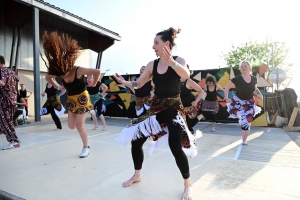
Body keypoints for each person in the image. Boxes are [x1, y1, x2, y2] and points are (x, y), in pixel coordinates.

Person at [113, 27, 198, 200]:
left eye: (156, 43)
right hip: (156, 108)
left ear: (167, 44)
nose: (153, 47)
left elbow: (186, 74)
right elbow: (138, 83)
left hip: (174, 108)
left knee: (175, 147)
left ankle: (187, 184)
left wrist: (172, 63)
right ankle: (137, 174)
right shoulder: (152, 64)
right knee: (136, 141)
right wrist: (124, 83)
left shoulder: (178, 60)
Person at [42, 31, 101, 158]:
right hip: (71, 99)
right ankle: (84, 120)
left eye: (63, 74)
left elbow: (97, 71)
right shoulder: (60, 70)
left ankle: (86, 147)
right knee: (71, 126)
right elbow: (48, 77)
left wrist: (94, 83)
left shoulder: (78, 70)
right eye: (60, 75)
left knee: (80, 125)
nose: (62, 76)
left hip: (83, 97)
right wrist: (59, 86)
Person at [224, 61, 263, 145]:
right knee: (243, 120)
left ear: (249, 67)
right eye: (242, 67)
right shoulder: (237, 79)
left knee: (247, 120)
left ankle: (244, 140)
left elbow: (254, 89)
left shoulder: (254, 79)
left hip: (249, 103)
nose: (243, 68)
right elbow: (226, 88)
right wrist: (226, 98)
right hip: (238, 101)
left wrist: (260, 95)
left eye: (245, 66)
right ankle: (244, 138)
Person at [0, 55, 21, 149]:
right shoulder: (11, 71)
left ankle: (14, 141)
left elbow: (2, 82)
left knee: (6, 121)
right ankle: (11, 137)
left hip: (5, 100)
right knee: (6, 120)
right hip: (12, 99)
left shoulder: (2, 71)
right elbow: (18, 79)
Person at [180, 65, 205, 135]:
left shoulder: (189, 81)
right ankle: (200, 116)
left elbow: (201, 91)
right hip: (180, 106)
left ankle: (190, 143)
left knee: (188, 126)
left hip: (190, 106)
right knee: (181, 126)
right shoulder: (176, 80)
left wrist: (196, 101)